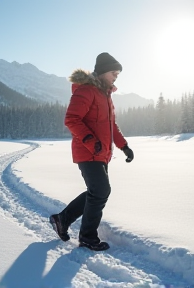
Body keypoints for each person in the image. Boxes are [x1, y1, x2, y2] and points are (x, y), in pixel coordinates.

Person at [49, 52, 134, 251]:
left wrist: (124, 146)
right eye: (114, 72)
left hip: (101, 153)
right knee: (101, 191)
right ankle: (87, 237)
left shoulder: (106, 95)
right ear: (103, 71)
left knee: (96, 192)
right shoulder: (86, 91)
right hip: (88, 152)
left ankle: (62, 219)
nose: (116, 76)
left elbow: (112, 125)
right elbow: (71, 119)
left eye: (118, 74)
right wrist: (89, 140)